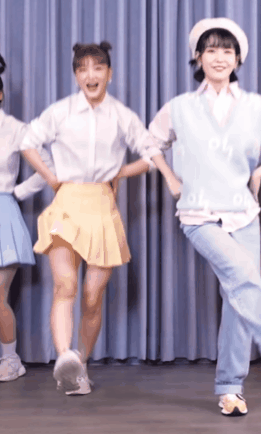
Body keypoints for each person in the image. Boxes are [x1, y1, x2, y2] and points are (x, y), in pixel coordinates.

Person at [149, 18, 261, 416]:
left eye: (227, 50)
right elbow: (149, 142)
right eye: (211, 50)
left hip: (244, 215)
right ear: (197, 57)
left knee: (238, 298)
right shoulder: (179, 107)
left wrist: (260, 173)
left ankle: (230, 389)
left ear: (238, 59)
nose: (219, 57)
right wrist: (170, 177)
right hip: (198, 215)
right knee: (243, 279)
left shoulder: (259, 107)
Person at [21, 42, 162, 395]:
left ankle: (80, 365)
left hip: (102, 205)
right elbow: (27, 141)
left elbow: (152, 154)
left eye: (97, 67)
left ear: (109, 74)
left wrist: (120, 172)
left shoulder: (122, 116)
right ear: (76, 76)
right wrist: (52, 178)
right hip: (67, 203)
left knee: (92, 296)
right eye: (82, 69)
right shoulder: (61, 111)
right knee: (65, 285)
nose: (90, 75)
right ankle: (64, 358)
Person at [0, 54, 51, 381]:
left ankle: (11, 360)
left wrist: (15, 193)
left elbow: (47, 168)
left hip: (3, 216)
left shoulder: (17, 129)